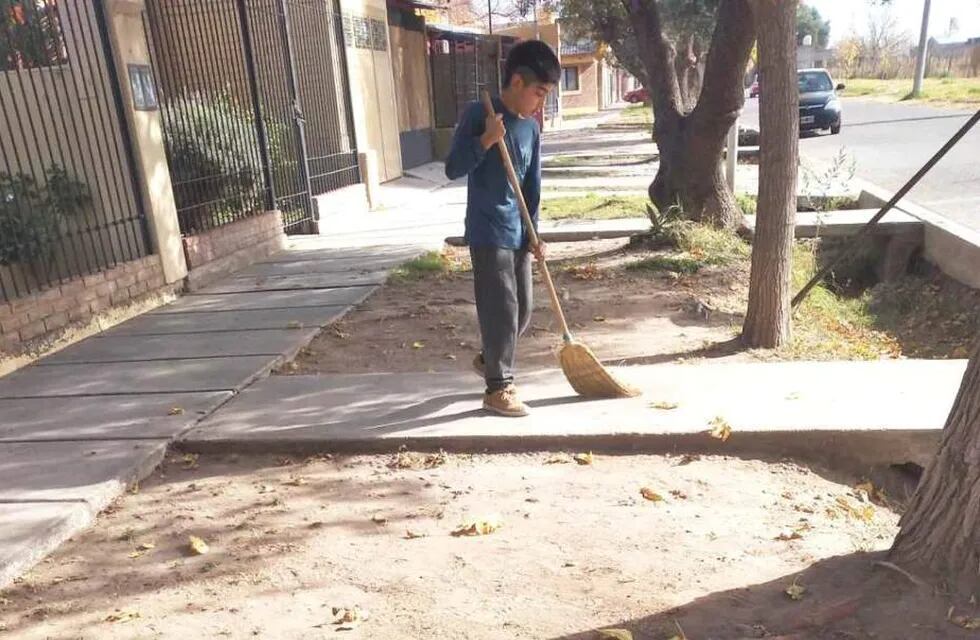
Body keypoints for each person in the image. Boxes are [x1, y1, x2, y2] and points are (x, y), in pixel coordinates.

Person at [444, 39, 560, 417]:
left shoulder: (530, 130)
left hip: (517, 229)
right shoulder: (481, 114)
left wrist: (535, 234)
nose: (541, 102)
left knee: (522, 310)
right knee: (502, 310)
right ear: (516, 82)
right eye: (539, 92)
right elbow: (453, 166)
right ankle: (498, 388)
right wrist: (485, 140)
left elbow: (532, 187)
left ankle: (490, 358)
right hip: (487, 228)